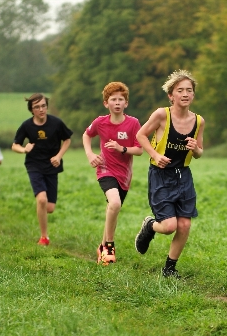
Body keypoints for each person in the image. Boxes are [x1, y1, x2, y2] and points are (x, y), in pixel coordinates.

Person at [134, 69, 205, 278]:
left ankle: (169, 269)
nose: (185, 94)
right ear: (171, 95)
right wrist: (155, 155)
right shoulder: (161, 115)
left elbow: (200, 153)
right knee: (168, 226)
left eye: (189, 90)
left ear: (193, 95)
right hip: (160, 175)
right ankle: (149, 225)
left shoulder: (199, 121)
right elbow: (140, 135)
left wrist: (195, 148)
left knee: (184, 224)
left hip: (183, 175)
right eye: (180, 90)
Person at [82, 82, 143, 265]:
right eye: (113, 99)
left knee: (113, 210)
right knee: (114, 203)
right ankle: (109, 246)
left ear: (126, 103)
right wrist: (90, 154)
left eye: (120, 99)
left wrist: (121, 148)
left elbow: (139, 150)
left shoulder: (133, 123)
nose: (117, 103)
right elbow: (86, 135)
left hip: (124, 175)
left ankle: (102, 249)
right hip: (105, 170)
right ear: (106, 103)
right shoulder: (100, 122)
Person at [12, 93, 73, 246]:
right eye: (37, 107)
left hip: (52, 166)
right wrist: (24, 150)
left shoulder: (56, 123)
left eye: (43, 106)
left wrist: (59, 156)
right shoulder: (26, 126)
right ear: (31, 110)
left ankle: (41, 211)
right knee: (42, 200)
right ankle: (44, 237)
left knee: (50, 208)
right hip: (34, 165)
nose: (41, 109)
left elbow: (67, 139)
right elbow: (15, 145)